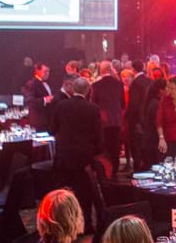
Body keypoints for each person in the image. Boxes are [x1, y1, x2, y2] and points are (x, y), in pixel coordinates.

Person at [49, 77, 102, 228]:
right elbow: (98, 136)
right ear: (88, 90)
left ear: (74, 89)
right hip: (84, 157)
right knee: (85, 191)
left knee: (64, 191)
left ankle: (64, 224)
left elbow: (52, 129)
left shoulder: (61, 106)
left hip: (64, 155)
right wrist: (95, 153)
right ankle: (86, 223)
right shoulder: (93, 109)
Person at [91, 61, 126, 178]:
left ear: (101, 70)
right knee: (115, 147)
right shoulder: (119, 84)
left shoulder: (96, 85)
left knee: (104, 148)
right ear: (110, 69)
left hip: (102, 121)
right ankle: (115, 172)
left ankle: (105, 173)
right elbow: (122, 103)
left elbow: (93, 105)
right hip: (116, 120)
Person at [125, 61, 152, 171]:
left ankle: (137, 170)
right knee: (146, 146)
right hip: (148, 118)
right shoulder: (150, 81)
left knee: (136, 146)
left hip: (137, 120)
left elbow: (133, 103)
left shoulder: (135, 83)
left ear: (133, 69)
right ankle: (146, 168)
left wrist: (128, 117)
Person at [23, 62, 54, 130]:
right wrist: (45, 100)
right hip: (38, 121)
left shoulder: (47, 83)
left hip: (47, 120)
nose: (48, 73)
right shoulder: (31, 84)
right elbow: (29, 101)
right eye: (45, 71)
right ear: (37, 71)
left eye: (48, 71)